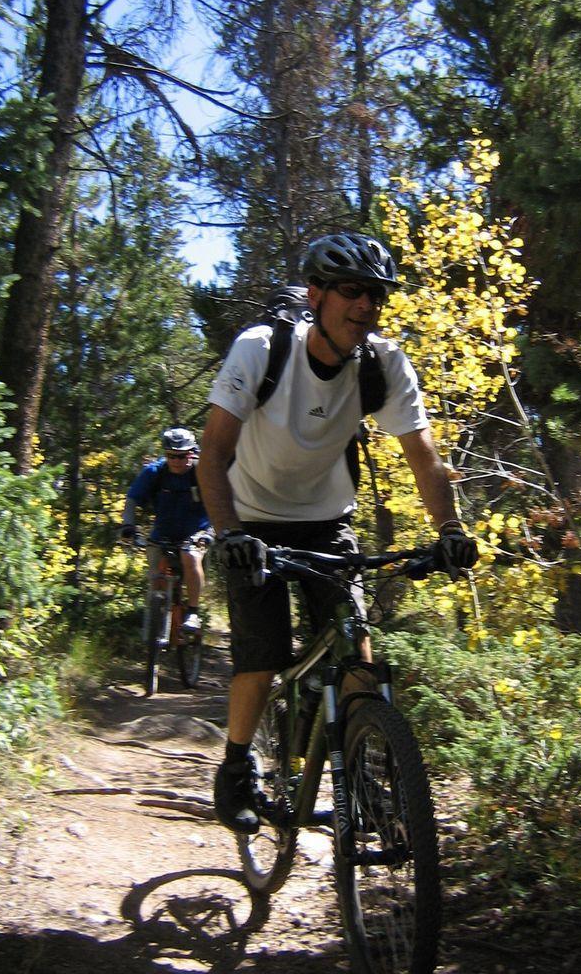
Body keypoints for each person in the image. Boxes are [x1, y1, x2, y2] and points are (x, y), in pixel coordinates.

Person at [197, 232, 479, 834]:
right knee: (262, 651)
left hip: (327, 521)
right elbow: (213, 453)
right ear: (316, 294)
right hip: (249, 521)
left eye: (376, 296)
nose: (365, 306)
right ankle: (236, 767)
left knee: (356, 640)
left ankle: (364, 772)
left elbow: (424, 459)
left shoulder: (383, 363)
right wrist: (226, 533)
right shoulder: (261, 349)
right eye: (351, 291)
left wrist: (450, 527)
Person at [120, 427, 213, 637]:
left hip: (197, 530)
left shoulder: (202, 473)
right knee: (156, 574)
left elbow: (221, 501)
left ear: (191, 453)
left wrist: (212, 531)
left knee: (190, 556)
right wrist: (128, 525)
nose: (176, 461)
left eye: (181, 456)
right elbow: (132, 499)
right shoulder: (155, 472)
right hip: (163, 532)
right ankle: (157, 617)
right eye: (171, 456)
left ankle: (193, 612)